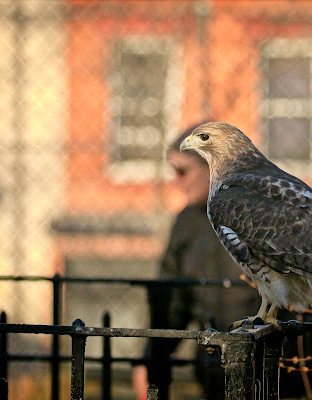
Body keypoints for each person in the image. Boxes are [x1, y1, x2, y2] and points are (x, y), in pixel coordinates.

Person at [132, 124, 261, 400]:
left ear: (210, 165)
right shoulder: (187, 221)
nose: (176, 181)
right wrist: (151, 360)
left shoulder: (261, 210)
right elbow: (172, 300)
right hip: (213, 375)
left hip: (271, 372)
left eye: (182, 171)